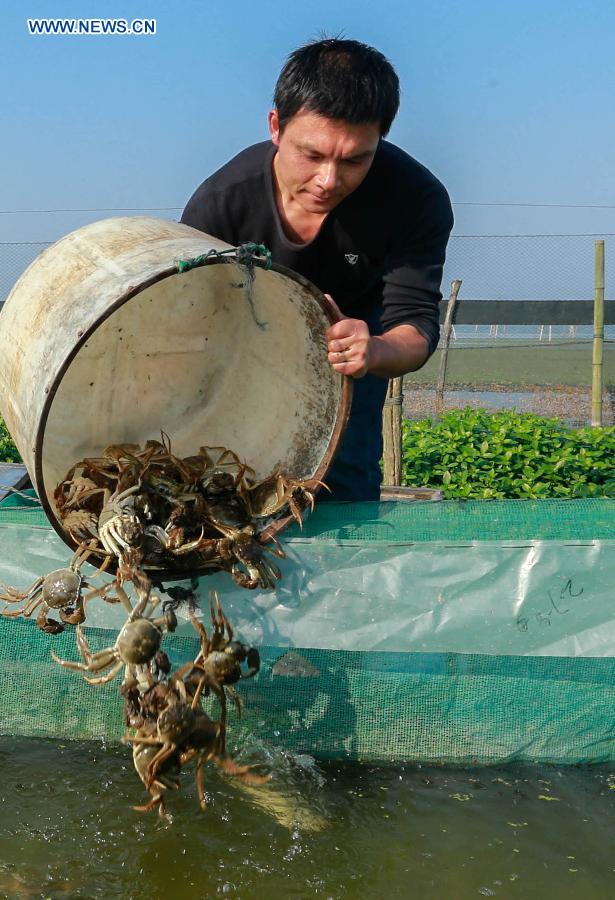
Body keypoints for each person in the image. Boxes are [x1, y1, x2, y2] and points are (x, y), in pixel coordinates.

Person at [181, 37, 453, 501]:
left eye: (354, 160)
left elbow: (417, 328)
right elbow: (184, 318)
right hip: (243, 356)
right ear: (275, 127)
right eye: (312, 154)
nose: (329, 180)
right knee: (223, 491)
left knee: (341, 494)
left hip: (350, 359)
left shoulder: (415, 199)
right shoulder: (222, 203)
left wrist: (375, 349)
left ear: (380, 139)